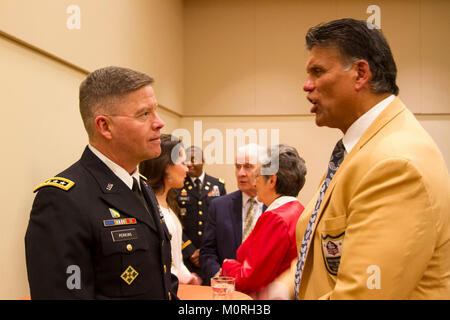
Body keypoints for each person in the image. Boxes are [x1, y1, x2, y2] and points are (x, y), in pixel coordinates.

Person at [274, 18, 450, 300]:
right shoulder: (360, 149)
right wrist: (283, 289)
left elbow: (363, 295)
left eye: (318, 71)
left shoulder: (395, 163)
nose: (307, 86)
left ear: (360, 74)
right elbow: (321, 250)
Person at [25, 66, 178, 299]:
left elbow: (160, 280)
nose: (159, 123)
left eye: (155, 111)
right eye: (144, 114)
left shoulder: (141, 186)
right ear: (105, 126)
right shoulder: (63, 200)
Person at [222, 144, 306, 299]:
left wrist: (227, 265)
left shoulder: (275, 218)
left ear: (272, 181)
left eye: (258, 176)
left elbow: (249, 279)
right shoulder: (299, 210)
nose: (255, 182)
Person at [139, 135, 202, 285]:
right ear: (166, 166)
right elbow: (158, 265)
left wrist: (188, 276)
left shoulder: (168, 204)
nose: (187, 169)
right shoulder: (147, 209)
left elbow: (175, 258)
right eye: (183, 163)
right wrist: (183, 278)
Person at [200, 144, 266, 285]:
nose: (240, 173)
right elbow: (207, 252)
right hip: (226, 288)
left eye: (248, 167)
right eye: (237, 166)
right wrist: (220, 277)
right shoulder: (219, 206)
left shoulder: (274, 207)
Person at [177, 146, 226, 283]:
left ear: (203, 160)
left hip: (212, 256)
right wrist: (190, 250)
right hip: (187, 257)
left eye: (194, 160)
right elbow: (175, 221)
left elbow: (223, 221)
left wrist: (205, 250)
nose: (189, 164)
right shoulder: (178, 186)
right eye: (186, 161)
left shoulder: (217, 185)